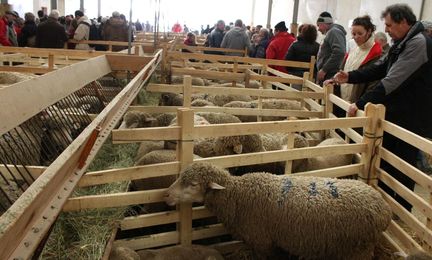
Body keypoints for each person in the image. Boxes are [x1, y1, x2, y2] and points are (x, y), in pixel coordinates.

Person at [330, 4, 432, 211]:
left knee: (403, 165)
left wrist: (359, 103)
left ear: (404, 22)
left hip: (412, 116)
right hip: (397, 113)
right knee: (386, 161)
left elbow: (392, 80)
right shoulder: (402, 42)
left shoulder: (418, 43)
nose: (385, 29)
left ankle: (400, 211)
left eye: (389, 25)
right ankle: (385, 205)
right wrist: (350, 76)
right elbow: (381, 68)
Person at [339, 15, 382, 104]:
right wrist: (334, 80)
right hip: (342, 100)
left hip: (358, 103)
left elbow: (373, 84)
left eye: (360, 33)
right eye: (354, 34)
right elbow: (343, 70)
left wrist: (361, 103)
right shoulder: (353, 49)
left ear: (369, 31)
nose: (356, 37)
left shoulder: (376, 53)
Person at [316, 11, 346, 84]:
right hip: (328, 73)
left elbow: (339, 52)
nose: (318, 29)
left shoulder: (334, 32)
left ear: (324, 24)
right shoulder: (331, 32)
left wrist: (324, 70)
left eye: (318, 25)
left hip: (330, 74)